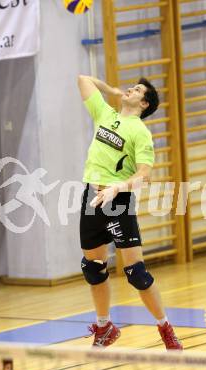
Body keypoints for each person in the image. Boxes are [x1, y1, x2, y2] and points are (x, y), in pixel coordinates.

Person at [78, 74, 183, 350]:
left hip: (118, 200)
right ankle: (104, 327)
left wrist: (117, 188)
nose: (129, 89)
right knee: (93, 268)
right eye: (131, 87)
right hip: (92, 196)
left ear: (144, 103)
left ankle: (165, 327)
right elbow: (83, 79)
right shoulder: (105, 113)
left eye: (136, 90)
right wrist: (112, 90)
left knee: (136, 273)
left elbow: (144, 175)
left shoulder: (140, 132)